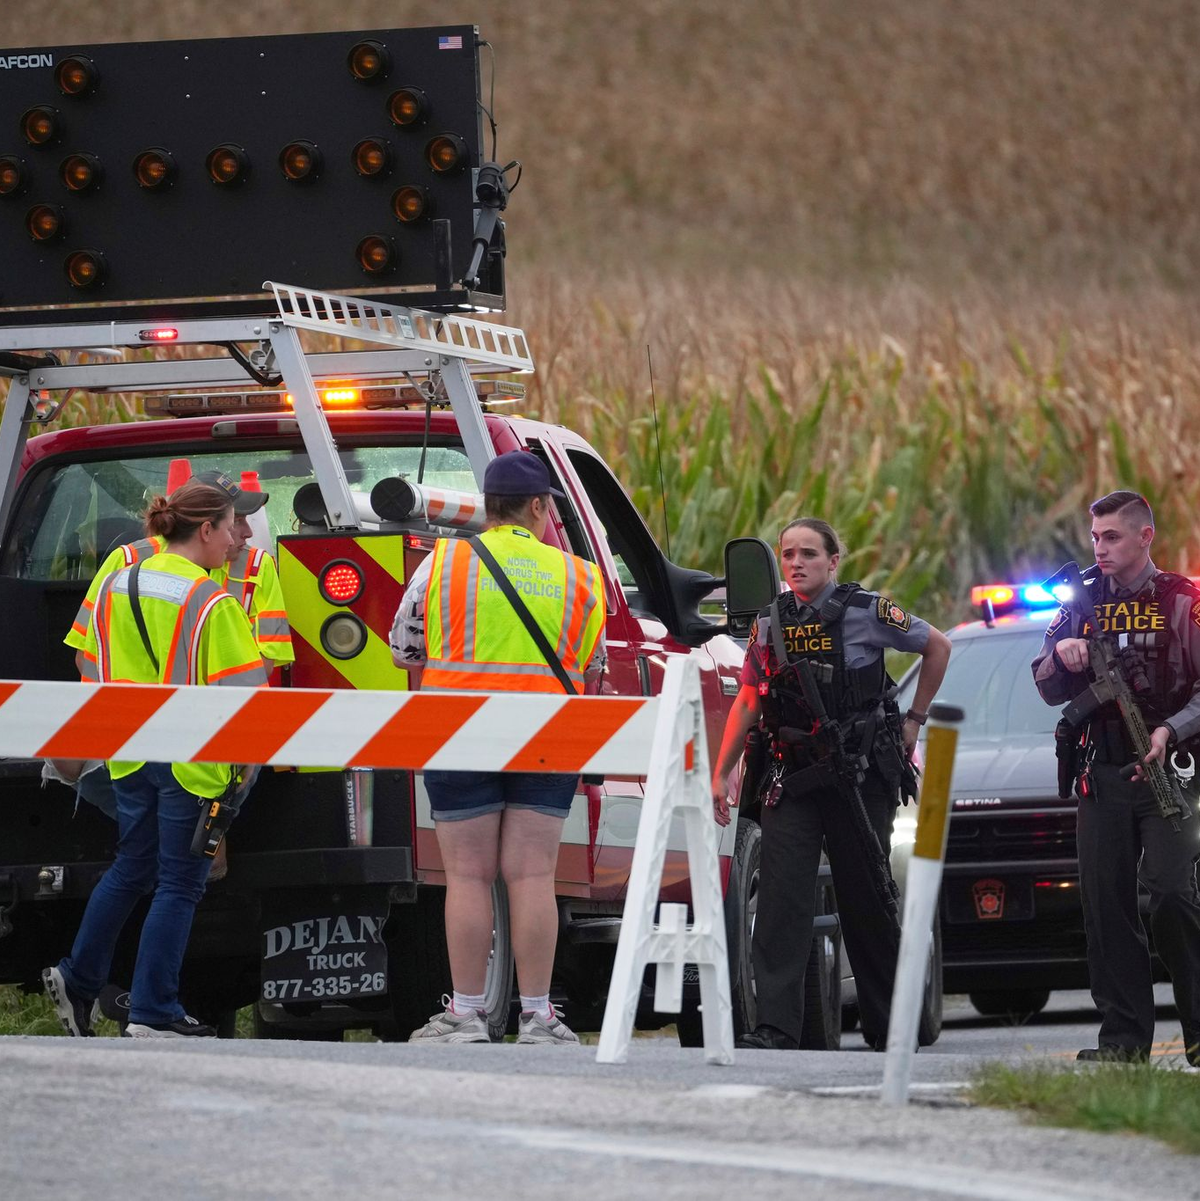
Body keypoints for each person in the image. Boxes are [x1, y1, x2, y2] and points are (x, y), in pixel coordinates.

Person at [389, 450, 606, 1045]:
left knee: (467, 875)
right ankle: (538, 1015)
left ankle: (466, 1014)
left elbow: (403, 647)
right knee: (533, 874)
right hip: (548, 736)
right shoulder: (579, 576)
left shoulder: (444, 563)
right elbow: (594, 666)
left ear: (489, 508)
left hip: (460, 732)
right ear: (538, 507)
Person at [710, 517, 951, 1051]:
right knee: (780, 899)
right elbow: (749, 698)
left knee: (866, 895)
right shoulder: (768, 623)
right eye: (789, 554)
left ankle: (890, 1027)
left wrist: (914, 721)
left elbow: (937, 646)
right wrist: (722, 770)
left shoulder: (867, 611)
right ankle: (776, 1028)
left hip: (858, 773)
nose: (797, 563)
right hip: (794, 775)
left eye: (809, 554)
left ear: (833, 561)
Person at [42, 476, 268, 1038]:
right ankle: (153, 1010)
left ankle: (78, 978)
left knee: (132, 867)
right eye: (229, 528)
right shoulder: (209, 600)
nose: (235, 541)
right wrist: (240, 780)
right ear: (206, 529)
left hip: (128, 757)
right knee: (180, 884)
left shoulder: (116, 584)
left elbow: (88, 668)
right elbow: (249, 701)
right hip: (193, 765)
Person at [1032, 490, 1200, 1065]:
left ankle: (1198, 1029)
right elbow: (1045, 681)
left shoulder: (1184, 599)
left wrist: (1170, 731)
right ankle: (1124, 1041)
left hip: (1172, 772)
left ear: (1145, 537)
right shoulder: (1078, 601)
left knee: (1175, 895)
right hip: (1100, 772)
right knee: (1106, 908)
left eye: (1112, 537)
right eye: (1095, 537)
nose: (1099, 548)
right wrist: (1065, 653)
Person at [55, 469, 292, 838]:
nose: (244, 532)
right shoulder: (129, 558)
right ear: (205, 527)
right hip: (126, 721)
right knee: (66, 764)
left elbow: (261, 666)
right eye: (237, 520)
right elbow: (86, 657)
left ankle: (181, 837)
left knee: (248, 748)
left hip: (213, 720)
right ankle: (173, 837)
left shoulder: (258, 566)